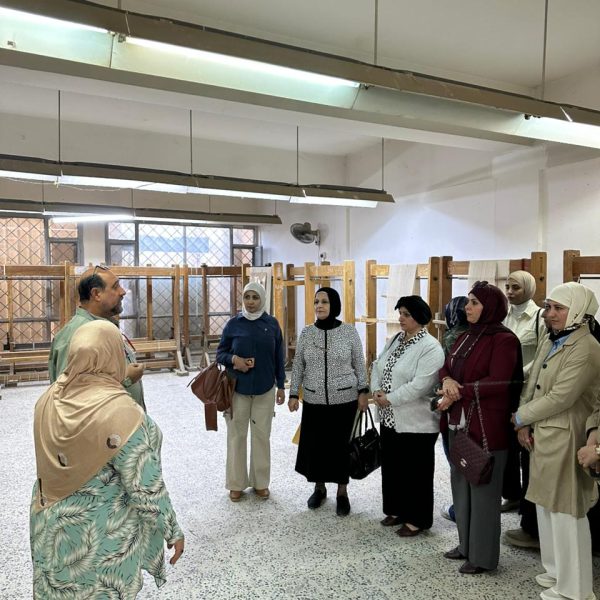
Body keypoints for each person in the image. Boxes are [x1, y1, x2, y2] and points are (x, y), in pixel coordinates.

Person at [31, 320, 184, 599]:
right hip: (98, 536)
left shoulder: (49, 399)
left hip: (51, 527)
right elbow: (144, 484)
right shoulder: (118, 410)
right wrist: (172, 529)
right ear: (112, 354)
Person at [514, 282, 600, 600]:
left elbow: (561, 397)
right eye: (548, 307)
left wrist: (520, 417)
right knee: (546, 505)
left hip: (567, 435)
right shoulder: (554, 339)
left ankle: (575, 589)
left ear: (578, 311)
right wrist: (524, 421)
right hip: (544, 432)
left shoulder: (586, 347)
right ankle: (555, 571)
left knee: (566, 511)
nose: (549, 314)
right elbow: (534, 382)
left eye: (558, 308)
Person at [438, 281, 523, 574]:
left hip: (487, 427)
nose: (467, 307)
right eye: (468, 302)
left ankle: (483, 557)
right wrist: (447, 380)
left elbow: (500, 381)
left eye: (474, 302)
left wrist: (458, 390)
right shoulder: (465, 335)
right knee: (461, 487)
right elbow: (446, 365)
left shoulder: (504, 339)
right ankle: (466, 545)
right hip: (459, 422)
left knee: (484, 493)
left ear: (490, 307)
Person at [288, 287, 369, 516]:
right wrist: (293, 394)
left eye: (324, 301)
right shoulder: (307, 333)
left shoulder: (349, 332)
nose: (319, 306)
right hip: (314, 399)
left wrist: (364, 390)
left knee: (341, 447)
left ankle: (342, 492)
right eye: (316, 302)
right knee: (316, 446)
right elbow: (298, 365)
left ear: (334, 304)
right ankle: (319, 488)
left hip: (344, 399)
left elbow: (359, 362)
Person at [371, 296, 444, 536]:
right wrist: (376, 390)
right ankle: (396, 509)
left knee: (416, 472)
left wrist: (390, 398)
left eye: (406, 314)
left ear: (419, 317)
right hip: (390, 418)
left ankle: (417, 519)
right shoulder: (396, 339)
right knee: (393, 467)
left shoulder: (431, 347)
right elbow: (378, 364)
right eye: (400, 313)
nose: (401, 318)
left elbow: (421, 385)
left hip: (416, 422)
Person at [216, 282, 286, 502]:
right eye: (247, 297)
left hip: (265, 389)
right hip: (237, 389)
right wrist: (234, 360)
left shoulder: (271, 324)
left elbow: (279, 357)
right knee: (236, 436)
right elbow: (220, 354)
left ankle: (260, 483)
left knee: (261, 436)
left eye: (255, 297)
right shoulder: (233, 324)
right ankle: (236, 484)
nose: (251, 302)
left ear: (262, 299)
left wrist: (281, 385)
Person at [48, 265, 146, 411]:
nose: (123, 291)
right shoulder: (76, 336)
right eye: (115, 287)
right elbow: (69, 397)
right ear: (96, 294)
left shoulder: (103, 326)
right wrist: (125, 379)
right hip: (103, 424)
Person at [503, 271, 546, 542]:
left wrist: (518, 374)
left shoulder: (539, 317)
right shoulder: (504, 317)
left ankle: (531, 517)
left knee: (526, 450)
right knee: (507, 447)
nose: (510, 291)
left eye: (515, 287)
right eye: (507, 287)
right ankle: (513, 494)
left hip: (529, 391)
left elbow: (542, 355)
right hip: (507, 390)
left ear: (528, 289)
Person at [439, 296, 469, 523]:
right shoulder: (476, 335)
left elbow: (445, 369)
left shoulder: (452, 337)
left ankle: (460, 509)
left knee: (457, 459)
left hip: (455, 406)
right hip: (470, 406)